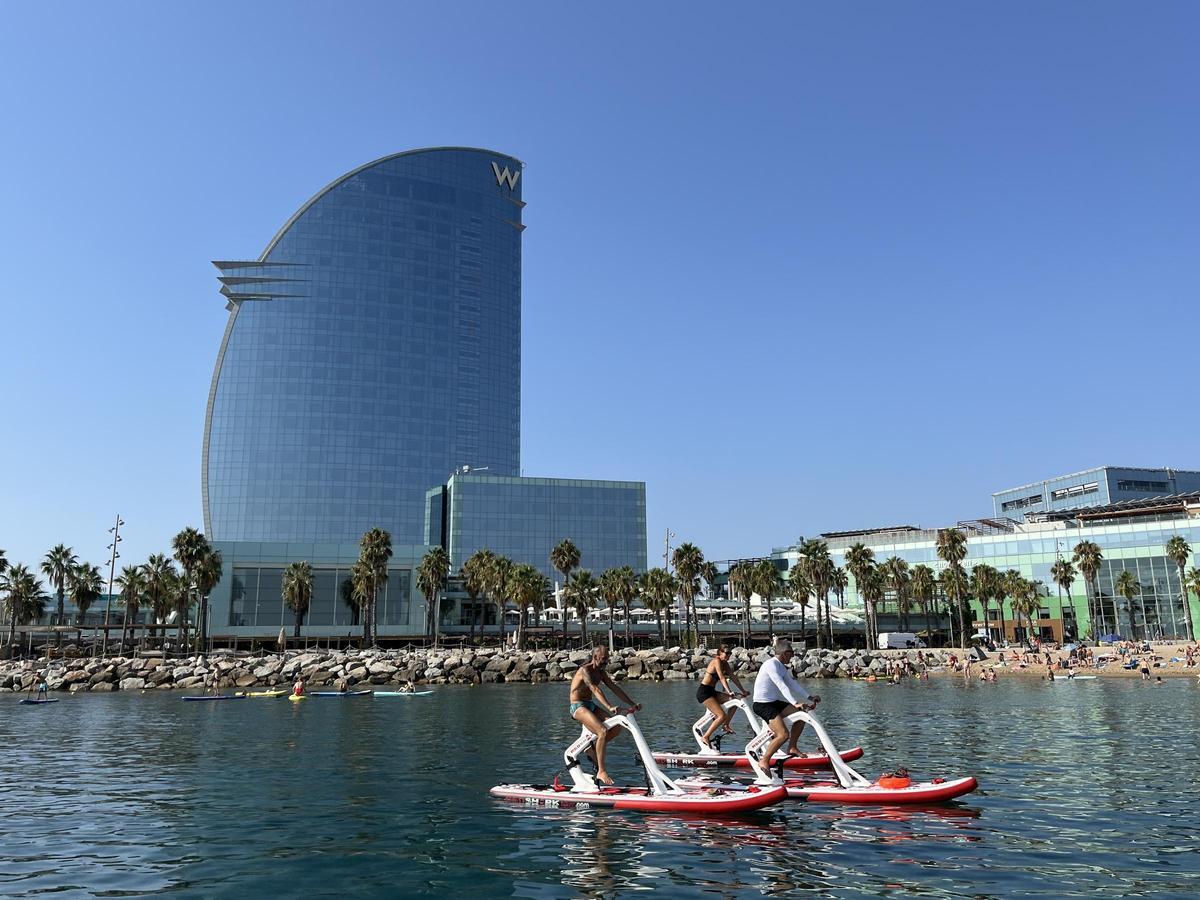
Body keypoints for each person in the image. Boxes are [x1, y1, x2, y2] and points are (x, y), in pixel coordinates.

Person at [569, 645, 641, 785]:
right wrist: (609, 706)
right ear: (595, 657)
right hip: (577, 706)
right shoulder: (585, 670)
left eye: (607, 659)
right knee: (602, 731)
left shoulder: (601, 672)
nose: (606, 662)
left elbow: (614, 687)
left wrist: (632, 703)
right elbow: (594, 689)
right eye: (603, 659)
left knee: (616, 727)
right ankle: (601, 771)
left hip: (589, 705)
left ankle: (592, 749)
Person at [751, 638, 820, 766]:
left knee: (802, 715)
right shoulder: (771, 665)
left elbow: (793, 685)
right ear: (784, 653)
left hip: (774, 703)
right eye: (791, 653)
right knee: (783, 735)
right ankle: (764, 761)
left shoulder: (781, 666)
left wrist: (810, 697)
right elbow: (781, 685)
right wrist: (794, 703)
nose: (793, 656)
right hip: (762, 705)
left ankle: (792, 747)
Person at [696, 644, 748, 749]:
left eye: (730, 653)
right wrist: (729, 691)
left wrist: (743, 691)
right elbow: (721, 677)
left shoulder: (725, 664)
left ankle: (726, 725)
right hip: (704, 692)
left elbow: (733, 677)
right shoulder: (716, 661)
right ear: (720, 653)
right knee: (721, 715)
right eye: (726, 653)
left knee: (736, 699)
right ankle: (706, 736)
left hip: (712, 692)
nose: (728, 655)